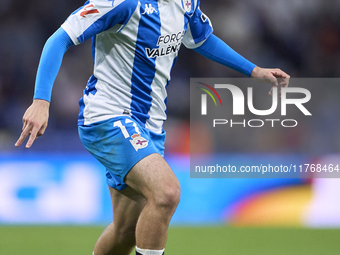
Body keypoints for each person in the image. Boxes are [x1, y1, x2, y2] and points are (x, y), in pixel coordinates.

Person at [15, 0, 290, 254]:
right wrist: (41, 100)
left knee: (125, 233)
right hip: (108, 115)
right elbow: (59, 38)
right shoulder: (121, 3)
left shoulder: (183, 3)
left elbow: (202, 39)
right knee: (166, 192)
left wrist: (254, 71)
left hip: (150, 125)